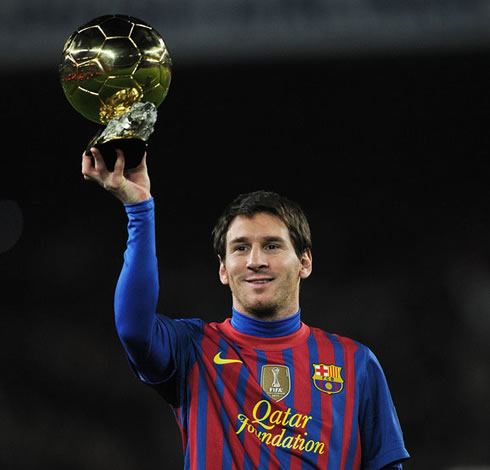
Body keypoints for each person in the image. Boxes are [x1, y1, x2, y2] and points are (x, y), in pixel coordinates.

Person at [82, 148, 410, 470]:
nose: (255, 261)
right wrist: (139, 210)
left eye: (271, 245)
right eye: (241, 248)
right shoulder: (193, 349)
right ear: (223, 270)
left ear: (305, 262)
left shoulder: (356, 363)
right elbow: (133, 330)